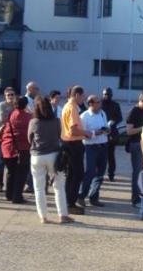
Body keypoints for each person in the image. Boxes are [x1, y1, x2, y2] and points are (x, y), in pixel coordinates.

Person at [28, 97, 73, 224]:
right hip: (54, 155)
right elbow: (61, 136)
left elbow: (29, 139)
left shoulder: (34, 122)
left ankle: (43, 217)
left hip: (37, 156)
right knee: (58, 186)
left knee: (39, 188)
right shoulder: (56, 121)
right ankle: (63, 215)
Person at [61, 86, 92, 215]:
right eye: (83, 96)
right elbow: (73, 130)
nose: (84, 99)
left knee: (71, 174)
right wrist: (86, 133)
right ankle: (71, 203)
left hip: (68, 143)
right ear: (77, 95)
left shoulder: (67, 106)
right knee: (77, 174)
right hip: (73, 144)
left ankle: (68, 201)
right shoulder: (72, 107)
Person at [78, 95, 109, 208]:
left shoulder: (102, 113)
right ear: (90, 104)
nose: (100, 104)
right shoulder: (84, 117)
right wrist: (97, 132)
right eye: (98, 102)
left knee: (100, 173)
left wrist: (107, 130)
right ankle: (81, 196)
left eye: (100, 101)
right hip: (91, 147)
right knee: (90, 173)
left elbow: (105, 126)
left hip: (103, 146)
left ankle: (94, 197)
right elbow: (83, 134)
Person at [0, 96, 32, 204]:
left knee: (11, 172)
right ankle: (17, 196)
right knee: (21, 173)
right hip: (21, 148)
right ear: (26, 105)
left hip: (7, 147)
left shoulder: (12, 114)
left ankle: (9, 194)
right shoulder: (28, 117)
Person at [126, 90, 143, 206]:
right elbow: (129, 131)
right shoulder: (133, 111)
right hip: (136, 145)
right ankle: (135, 199)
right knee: (137, 172)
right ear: (142, 99)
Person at [101, 87, 123, 182]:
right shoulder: (99, 104)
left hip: (112, 133)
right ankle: (100, 174)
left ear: (111, 95)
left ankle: (111, 174)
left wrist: (113, 122)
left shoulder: (115, 105)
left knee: (111, 156)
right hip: (101, 133)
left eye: (108, 94)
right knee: (101, 156)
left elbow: (120, 118)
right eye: (105, 94)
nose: (106, 96)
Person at [0, 87, 16, 192]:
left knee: (13, 161)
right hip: (3, 135)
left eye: (12, 94)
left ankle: (12, 185)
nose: (11, 97)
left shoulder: (16, 105)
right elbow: (2, 119)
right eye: (8, 95)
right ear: (5, 96)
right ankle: (0, 184)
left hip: (14, 136)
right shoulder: (2, 105)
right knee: (1, 160)